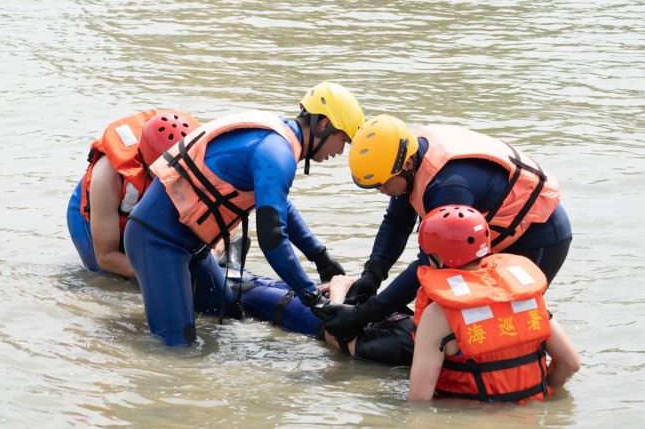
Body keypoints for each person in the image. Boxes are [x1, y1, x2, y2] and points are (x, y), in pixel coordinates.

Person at [123, 82, 365, 346]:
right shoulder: (277, 152)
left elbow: (280, 206)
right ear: (323, 126)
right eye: (344, 140)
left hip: (192, 246)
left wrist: (320, 257)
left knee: (228, 312)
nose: (341, 151)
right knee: (178, 347)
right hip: (157, 242)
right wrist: (311, 297)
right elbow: (273, 241)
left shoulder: (279, 141)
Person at [318, 114, 573, 341]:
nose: (381, 192)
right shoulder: (405, 154)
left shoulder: (446, 188)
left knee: (500, 320)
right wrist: (372, 276)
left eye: (382, 184)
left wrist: (365, 314)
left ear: (406, 166)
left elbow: (430, 264)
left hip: (537, 235)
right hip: (489, 232)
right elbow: (396, 223)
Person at [408, 205, 579, 402]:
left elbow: (419, 400)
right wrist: (539, 391)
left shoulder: (438, 314)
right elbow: (570, 363)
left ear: (437, 257)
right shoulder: (527, 295)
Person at [216, 237, 414, 366]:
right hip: (343, 304)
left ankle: (218, 274)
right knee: (280, 283)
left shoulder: (401, 347)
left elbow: (337, 340)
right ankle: (232, 269)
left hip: (318, 319)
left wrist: (338, 291)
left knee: (245, 293)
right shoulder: (425, 322)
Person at [66, 110, 200, 278]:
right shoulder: (107, 177)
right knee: (115, 282)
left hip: (141, 203)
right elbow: (106, 257)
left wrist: (211, 256)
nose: (176, 180)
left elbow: (224, 222)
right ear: (149, 164)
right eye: (168, 174)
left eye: (182, 173)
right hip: (94, 217)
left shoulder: (200, 156)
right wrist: (169, 274)